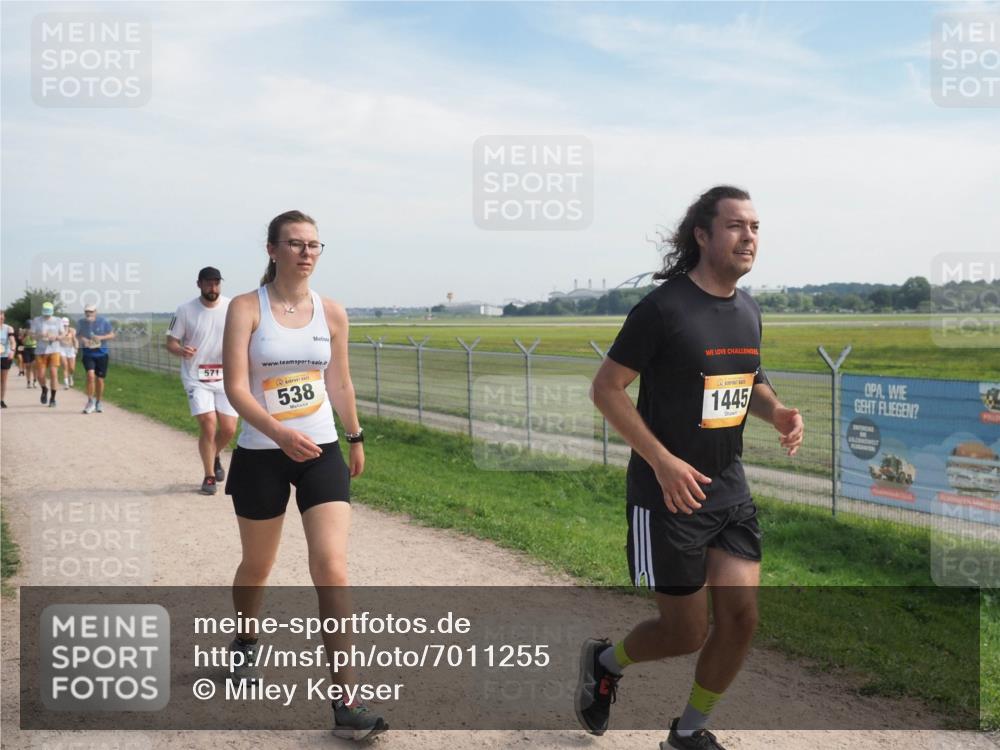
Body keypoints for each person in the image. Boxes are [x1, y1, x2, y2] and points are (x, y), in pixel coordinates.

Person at [576, 186, 804, 750]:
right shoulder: (662, 309)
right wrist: (662, 461)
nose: (748, 236)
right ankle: (605, 662)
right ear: (702, 235)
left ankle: (689, 732)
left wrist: (777, 412)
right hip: (668, 495)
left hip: (728, 489)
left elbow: (749, 380)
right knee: (684, 631)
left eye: (754, 226)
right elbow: (606, 389)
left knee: (741, 618)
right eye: (734, 226)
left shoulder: (748, 308)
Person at [222, 210, 385, 740]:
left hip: (320, 450)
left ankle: (347, 700)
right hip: (262, 452)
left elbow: (338, 381)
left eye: (315, 244)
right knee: (257, 565)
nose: (307, 252)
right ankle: (246, 640)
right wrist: (278, 433)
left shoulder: (331, 312)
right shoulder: (246, 308)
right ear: (272, 249)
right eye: (295, 244)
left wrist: (354, 434)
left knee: (332, 568)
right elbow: (237, 388)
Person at [166, 267, 237, 495]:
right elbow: (171, 342)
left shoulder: (232, 307)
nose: (212, 288)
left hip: (226, 377)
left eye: (216, 283)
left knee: (228, 429)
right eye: (208, 283)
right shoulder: (185, 310)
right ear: (199, 284)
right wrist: (181, 350)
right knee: (208, 423)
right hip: (196, 377)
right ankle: (208, 477)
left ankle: (214, 454)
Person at [77, 304, 115, 414]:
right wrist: (84, 340)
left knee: (100, 379)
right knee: (90, 375)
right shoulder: (81, 323)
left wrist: (101, 337)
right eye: (87, 312)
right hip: (88, 354)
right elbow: (78, 335)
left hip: (102, 354)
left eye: (91, 311)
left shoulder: (103, 321)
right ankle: (90, 402)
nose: (89, 314)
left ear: (95, 312)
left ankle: (98, 402)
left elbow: (112, 335)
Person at [31, 301, 64, 408]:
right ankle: (44, 389)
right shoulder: (36, 320)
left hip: (54, 349)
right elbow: (32, 335)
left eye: (49, 313)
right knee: (40, 375)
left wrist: (57, 337)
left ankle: (53, 399)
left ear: (52, 312)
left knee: (54, 374)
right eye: (45, 312)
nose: (47, 315)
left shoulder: (58, 320)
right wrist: (40, 335)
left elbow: (63, 333)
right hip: (40, 351)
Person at [0, 311, 15, 408]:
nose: (0, 320)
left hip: (5, 356)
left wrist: (12, 350)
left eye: (1, 318)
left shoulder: (8, 328)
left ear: (4, 318)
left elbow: (12, 341)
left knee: (3, 380)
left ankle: (2, 400)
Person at [59, 317, 78, 389]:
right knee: (65, 366)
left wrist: (76, 348)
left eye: (66, 325)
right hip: (62, 349)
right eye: (63, 325)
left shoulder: (72, 330)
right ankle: (66, 384)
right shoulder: (58, 331)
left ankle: (71, 376)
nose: (64, 326)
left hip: (71, 349)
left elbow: (75, 340)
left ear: (68, 324)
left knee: (72, 368)